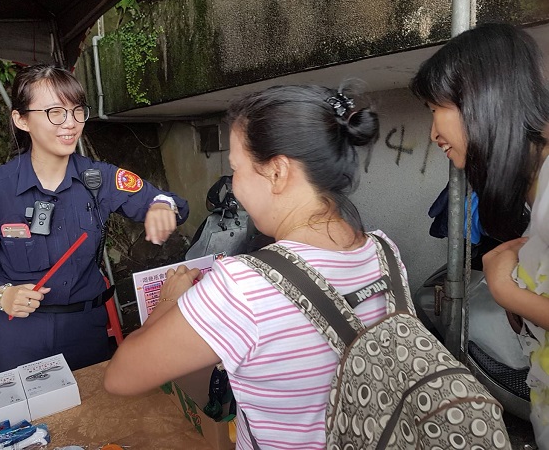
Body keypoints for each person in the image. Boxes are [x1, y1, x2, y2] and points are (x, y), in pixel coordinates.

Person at [104, 85, 407, 449]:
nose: (234, 185)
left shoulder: (245, 285)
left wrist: (170, 301)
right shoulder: (385, 252)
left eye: (236, 168)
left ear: (277, 172)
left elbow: (121, 377)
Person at [0, 64, 189, 376]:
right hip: (18, 335)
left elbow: (169, 202)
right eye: (54, 112)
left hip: (85, 331)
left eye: (77, 111)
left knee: (90, 417)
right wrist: (1, 293)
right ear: (21, 119)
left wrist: (160, 206)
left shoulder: (99, 179)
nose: (71, 124)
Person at [410, 22, 549, 449]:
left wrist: (507, 291)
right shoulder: (534, 189)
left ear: (481, 100)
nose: (434, 133)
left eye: (437, 109)